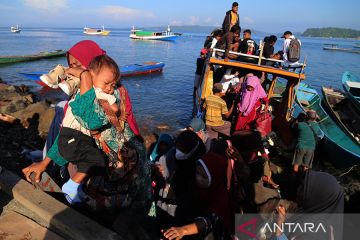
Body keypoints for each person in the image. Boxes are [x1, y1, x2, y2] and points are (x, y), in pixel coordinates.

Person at [22, 40, 107, 182]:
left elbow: (92, 124)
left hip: (102, 169)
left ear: (94, 64)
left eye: (78, 65)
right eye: (71, 65)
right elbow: (68, 133)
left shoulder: (107, 92)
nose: (72, 71)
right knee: (60, 110)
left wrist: (84, 75)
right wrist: (45, 162)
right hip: (80, 160)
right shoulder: (77, 93)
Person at [57, 55, 121, 204]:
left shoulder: (91, 91)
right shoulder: (90, 92)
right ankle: (71, 186)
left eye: (113, 85)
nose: (110, 88)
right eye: (107, 83)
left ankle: (76, 189)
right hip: (72, 137)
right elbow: (109, 111)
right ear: (91, 75)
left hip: (75, 139)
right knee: (96, 160)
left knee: (96, 162)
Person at [162, 147, 235, 240]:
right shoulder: (195, 185)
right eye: (197, 173)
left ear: (215, 177)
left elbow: (208, 221)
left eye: (204, 176)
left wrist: (183, 230)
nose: (198, 178)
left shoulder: (221, 197)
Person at [156, 130, 206, 232]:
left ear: (191, 149)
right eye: (177, 147)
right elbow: (163, 162)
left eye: (182, 149)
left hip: (183, 202)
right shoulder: (173, 152)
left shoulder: (199, 164)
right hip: (167, 194)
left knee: (177, 220)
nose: (178, 151)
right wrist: (158, 168)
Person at [274, 170, 344, 240]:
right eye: (301, 185)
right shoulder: (312, 216)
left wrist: (279, 224)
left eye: (304, 189)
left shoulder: (311, 234)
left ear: (318, 197)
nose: (298, 190)